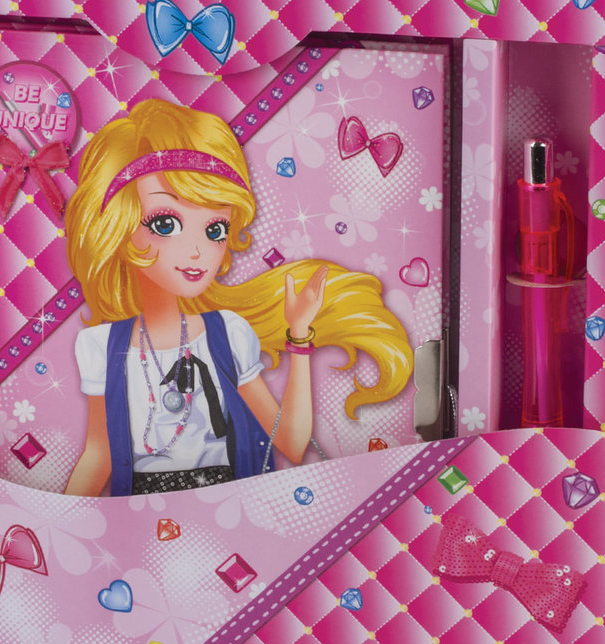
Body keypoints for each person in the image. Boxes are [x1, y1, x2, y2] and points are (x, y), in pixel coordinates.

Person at [64, 99, 412, 496]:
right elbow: (99, 455)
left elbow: (290, 442)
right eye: (165, 223)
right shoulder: (100, 346)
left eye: (215, 230)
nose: (198, 251)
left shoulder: (227, 334)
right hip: (141, 513)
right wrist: (58, 521)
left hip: (231, 510)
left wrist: (299, 336)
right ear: (118, 225)